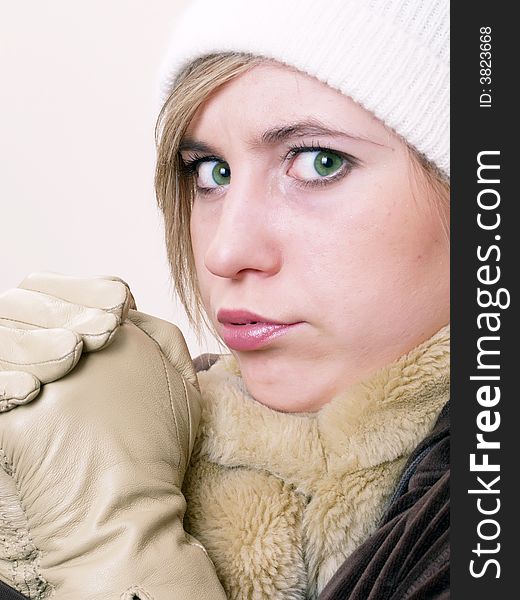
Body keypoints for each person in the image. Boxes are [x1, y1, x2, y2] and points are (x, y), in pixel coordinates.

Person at [0, 0, 450, 598]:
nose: (224, 251)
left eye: (321, 161)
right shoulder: (111, 429)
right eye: (210, 171)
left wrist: (107, 541)